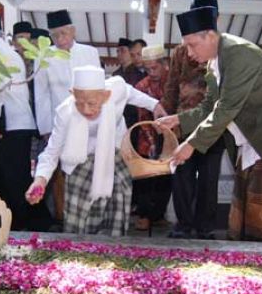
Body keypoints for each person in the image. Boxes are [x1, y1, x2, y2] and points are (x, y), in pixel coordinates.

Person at [157, 7, 262, 243]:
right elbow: (209, 106)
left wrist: (191, 144)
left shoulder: (237, 54)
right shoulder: (216, 62)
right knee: (248, 203)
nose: (189, 53)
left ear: (210, 35)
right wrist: (178, 119)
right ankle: (250, 258)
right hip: (255, 138)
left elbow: (226, 108)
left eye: (193, 45)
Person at [25, 66, 166, 235]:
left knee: (116, 214)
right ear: (72, 94)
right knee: (78, 222)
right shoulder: (65, 112)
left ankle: (114, 251)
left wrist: (155, 105)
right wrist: (40, 180)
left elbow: (132, 93)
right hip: (80, 165)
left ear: (105, 95)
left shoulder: (116, 90)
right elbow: (51, 152)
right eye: (79, 102)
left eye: (91, 103)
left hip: (113, 159)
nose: (85, 109)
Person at [0, 13, 50, 231]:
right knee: (19, 174)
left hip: (8, 123)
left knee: (12, 177)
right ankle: (34, 219)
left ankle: (28, 222)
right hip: (24, 121)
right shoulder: (12, 52)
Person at [159, 0, 224, 240]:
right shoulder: (179, 52)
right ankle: (184, 224)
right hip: (182, 123)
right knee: (182, 178)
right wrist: (167, 115)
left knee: (209, 177)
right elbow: (171, 86)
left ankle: (205, 227)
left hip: (214, 124)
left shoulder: (223, 51)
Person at [33, 9, 100, 138]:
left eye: (63, 33)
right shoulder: (44, 57)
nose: (59, 39)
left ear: (73, 31)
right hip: (59, 121)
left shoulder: (90, 53)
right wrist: (46, 128)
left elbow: (98, 88)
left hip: (88, 120)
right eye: (54, 35)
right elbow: (41, 94)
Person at [131, 45, 172, 233]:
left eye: (155, 68)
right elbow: (142, 117)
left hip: (172, 136)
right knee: (146, 178)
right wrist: (152, 142)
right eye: (147, 69)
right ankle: (144, 216)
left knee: (166, 177)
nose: (151, 73)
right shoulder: (141, 87)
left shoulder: (174, 83)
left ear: (165, 64)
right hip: (147, 137)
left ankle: (158, 215)